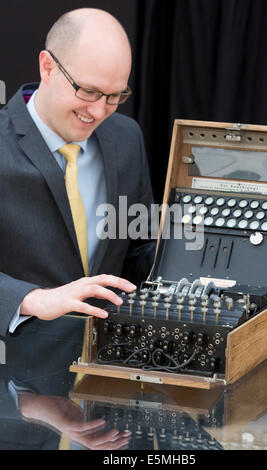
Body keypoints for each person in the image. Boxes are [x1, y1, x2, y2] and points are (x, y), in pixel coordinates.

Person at [0, 8, 155, 337]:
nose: (99, 111)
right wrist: (32, 299)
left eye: (114, 96)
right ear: (47, 67)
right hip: (14, 369)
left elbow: (139, 247)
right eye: (87, 91)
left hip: (107, 362)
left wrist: (203, 246)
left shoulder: (127, 137)